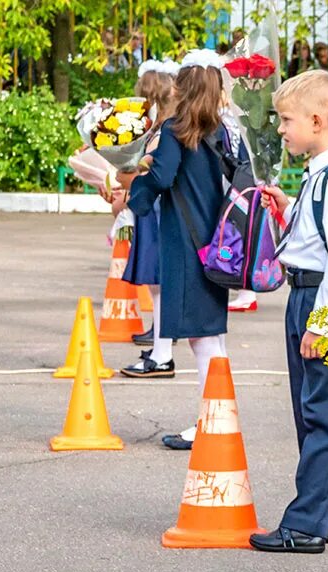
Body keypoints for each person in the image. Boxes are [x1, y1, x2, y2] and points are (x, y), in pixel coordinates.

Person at [250, 70, 328, 554]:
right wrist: (291, 205)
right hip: (306, 296)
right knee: (321, 410)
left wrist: (323, 323)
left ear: (317, 121)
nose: (280, 129)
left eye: (286, 120)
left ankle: (305, 524)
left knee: (320, 412)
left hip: (320, 301)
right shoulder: (320, 176)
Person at [118, 51, 231, 450]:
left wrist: (133, 196)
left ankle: (210, 421)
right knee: (213, 334)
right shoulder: (222, 132)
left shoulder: (175, 130)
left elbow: (162, 176)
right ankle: (219, 414)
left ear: (182, 88)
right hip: (218, 244)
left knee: (202, 339)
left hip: (185, 244)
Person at [119, 60, 179, 378]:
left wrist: (131, 174)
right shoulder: (160, 131)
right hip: (153, 213)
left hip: (156, 214)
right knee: (156, 286)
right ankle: (160, 348)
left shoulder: (164, 133)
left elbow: (155, 175)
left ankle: (163, 352)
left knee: (159, 285)